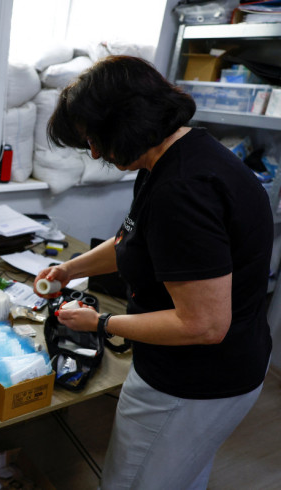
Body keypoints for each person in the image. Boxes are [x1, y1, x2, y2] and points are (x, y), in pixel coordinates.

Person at [35, 56, 273, 489]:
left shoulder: (182, 190)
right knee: (180, 478)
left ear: (126, 121)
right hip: (225, 367)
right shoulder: (171, 157)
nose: (93, 153)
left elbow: (203, 324)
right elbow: (130, 241)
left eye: (94, 138)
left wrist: (101, 322)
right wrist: (70, 268)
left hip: (192, 382)